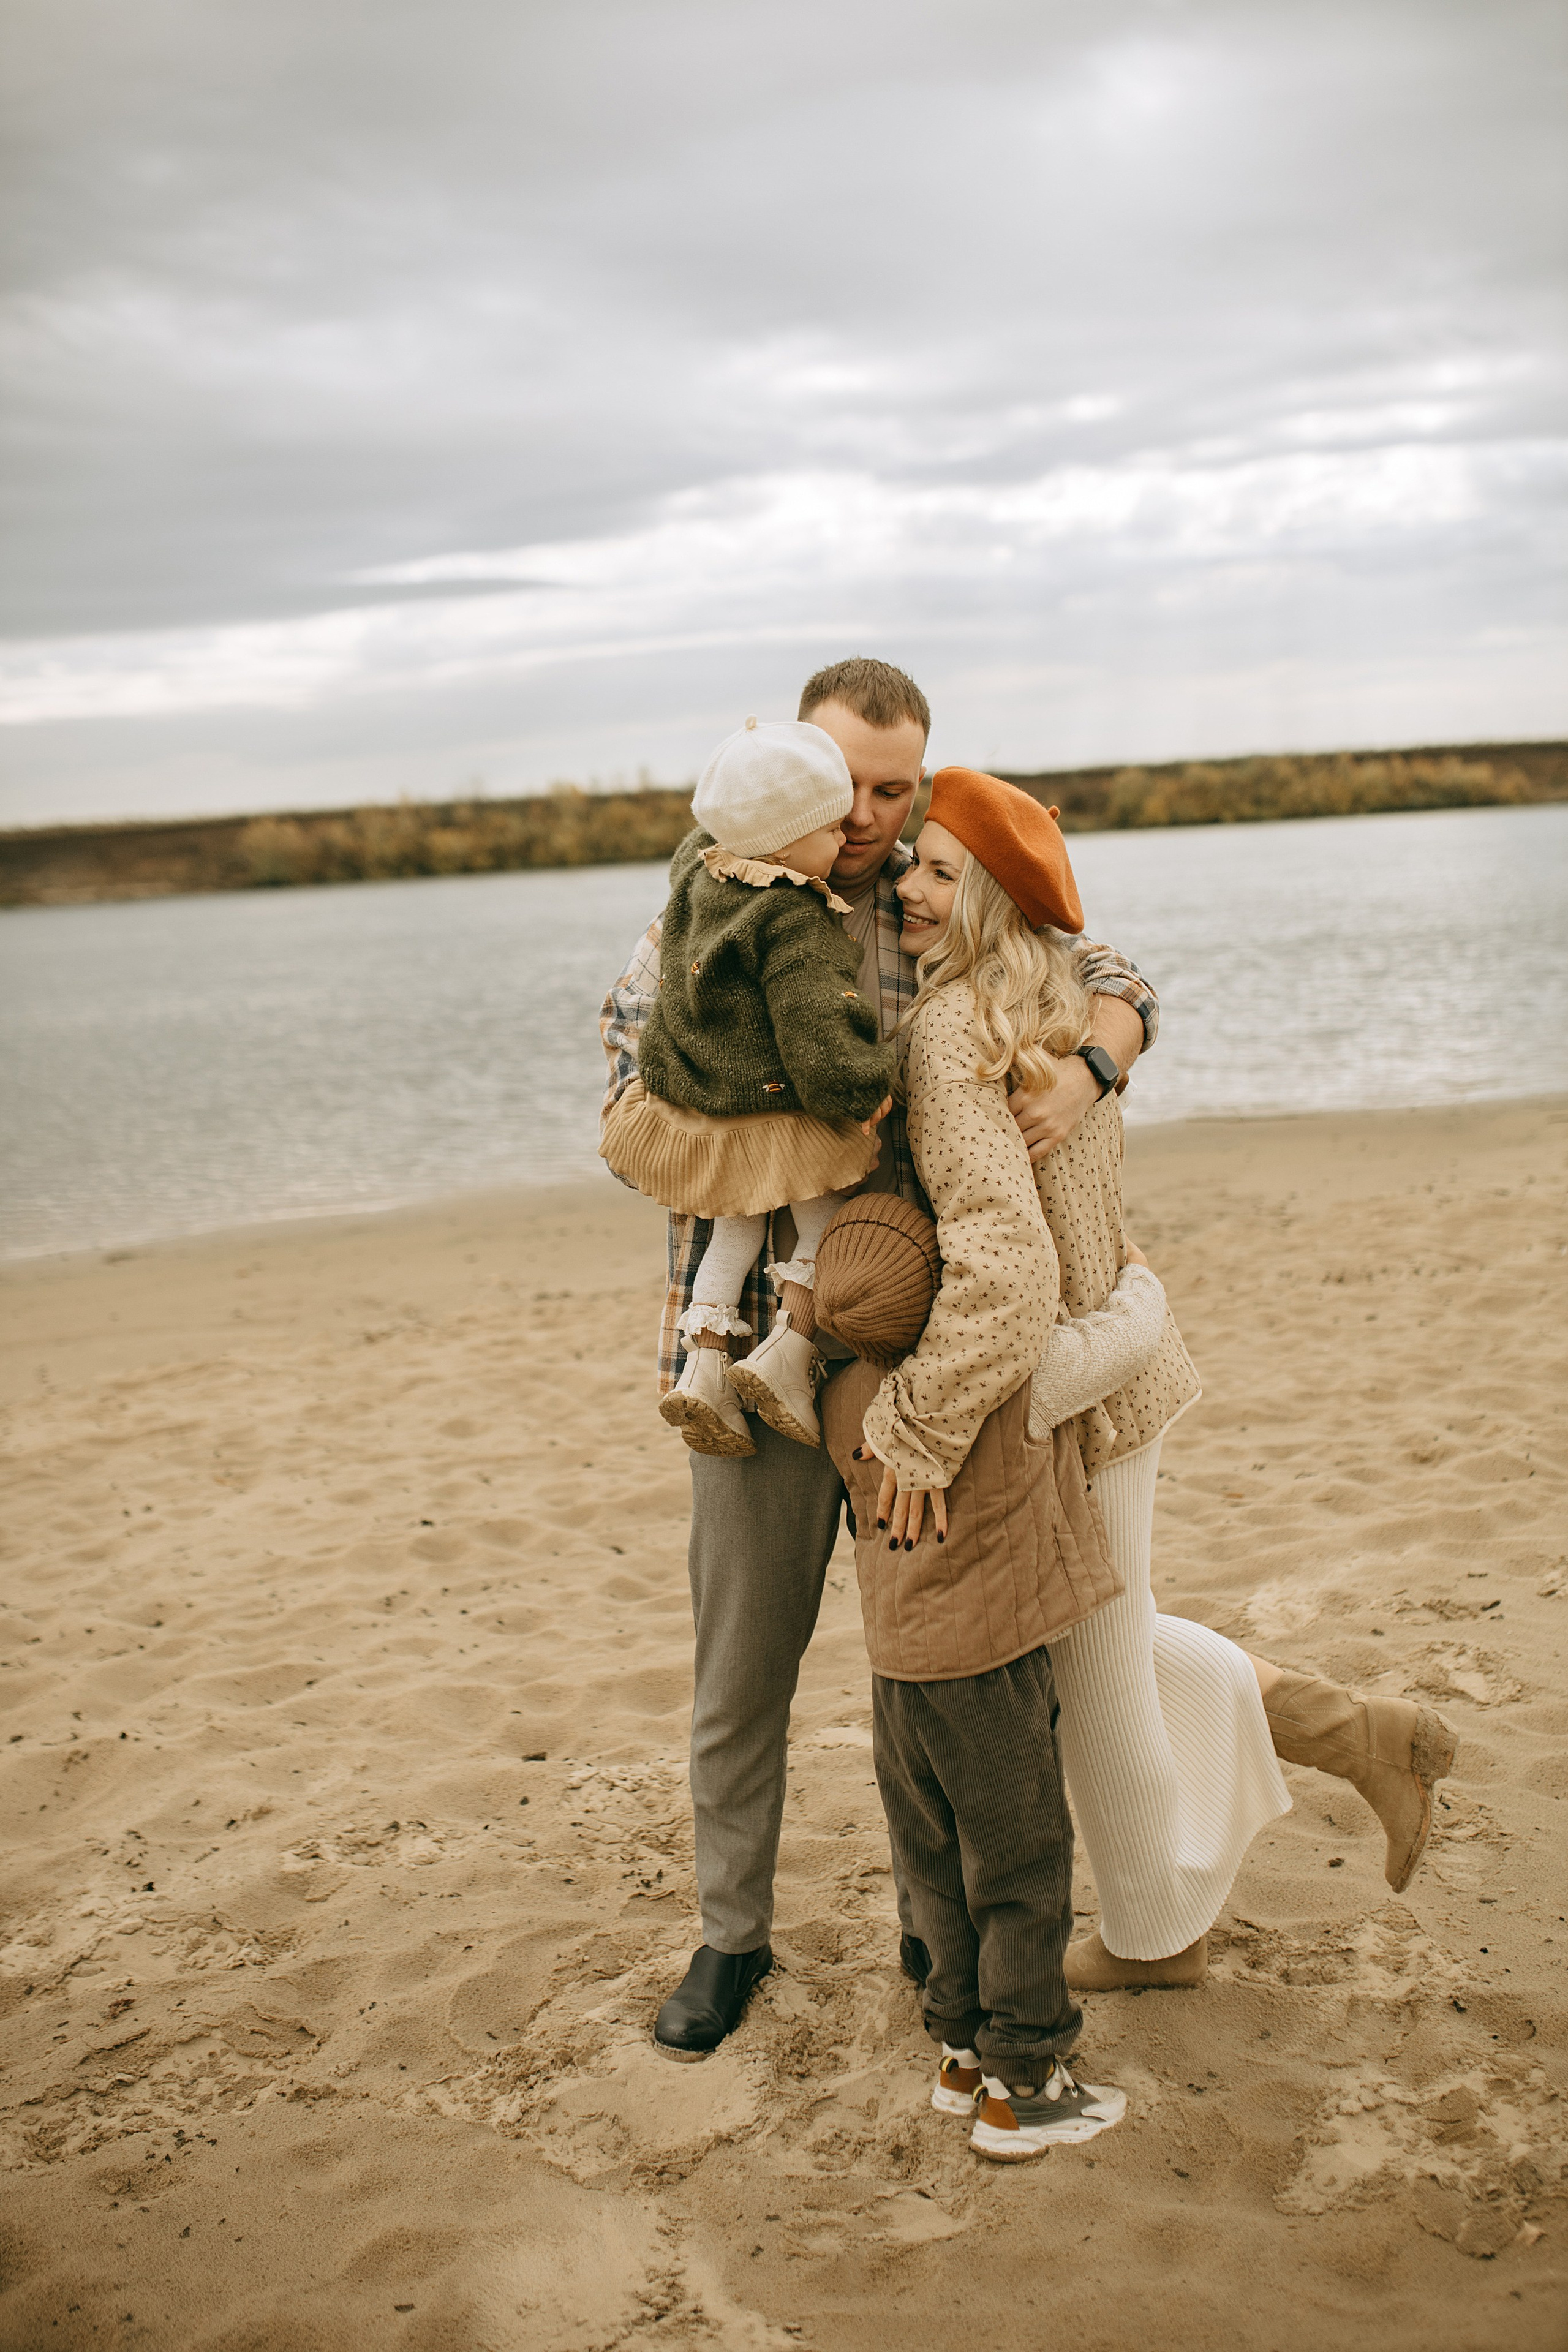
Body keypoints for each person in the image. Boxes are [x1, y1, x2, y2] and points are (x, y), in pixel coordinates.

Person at [598, 658, 1158, 2056]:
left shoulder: (938, 902)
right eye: (841, 781)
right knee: (742, 1664)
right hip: (746, 1357)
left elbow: (1111, 972)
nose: (865, 814)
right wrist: (780, 1112)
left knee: (926, 1657)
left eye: (892, 789)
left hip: (921, 1374)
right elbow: (627, 1098)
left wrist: (1091, 1065)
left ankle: (934, 1928)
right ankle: (730, 1935)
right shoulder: (710, 905)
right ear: (795, 763)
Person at [882, 769, 1457, 1996]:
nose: (910, 885)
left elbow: (1006, 1267)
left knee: (1090, 1680)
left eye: (941, 869)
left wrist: (918, 1427)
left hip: (1070, 1390)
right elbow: (1115, 983)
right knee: (1116, 1632)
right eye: (911, 862)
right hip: (1118, 1370)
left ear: (989, 894)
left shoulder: (953, 1028)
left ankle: (1154, 1937)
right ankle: (1362, 1738)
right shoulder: (1054, 988)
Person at [598, 715, 894, 1455]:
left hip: (705, 1112)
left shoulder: (696, 874)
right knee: (824, 1204)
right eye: (830, 824)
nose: (848, 832)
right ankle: (789, 1349)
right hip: (778, 1113)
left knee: (733, 1231)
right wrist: (871, 1085)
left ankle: (703, 1364)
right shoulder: (793, 919)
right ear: (790, 841)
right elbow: (818, 1039)